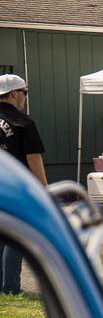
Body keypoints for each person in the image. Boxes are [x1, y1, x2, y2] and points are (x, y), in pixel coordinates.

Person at [0, 74, 46, 295]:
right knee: (15, 236)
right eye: (24, 93)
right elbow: (33, 158)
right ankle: (10, 287)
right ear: (13, 94)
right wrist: (43, 190)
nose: (24, 98)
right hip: (16, 187)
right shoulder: (23, 122)